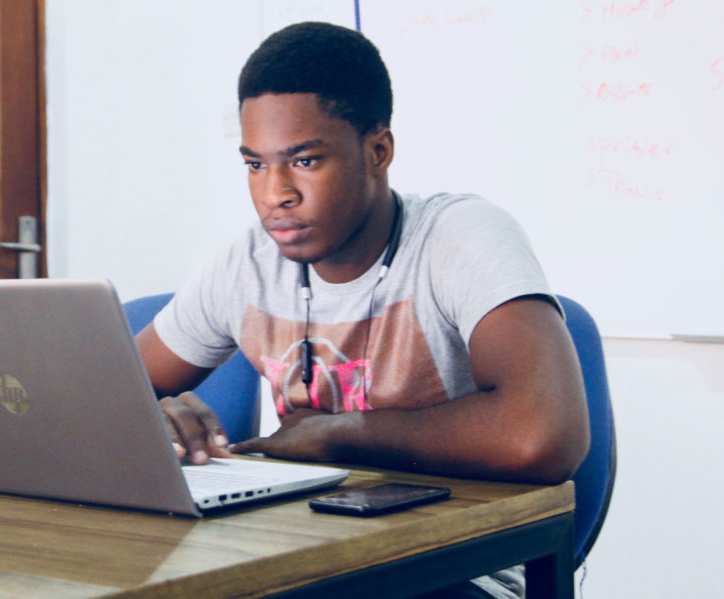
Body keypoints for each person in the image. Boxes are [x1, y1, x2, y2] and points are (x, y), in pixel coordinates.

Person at [136, 21, 589, 598]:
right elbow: (105, 392)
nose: (275, 193)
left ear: (378, 151)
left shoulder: (460, 236)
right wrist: (151, 420)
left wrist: (338, 433)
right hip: (302, 553)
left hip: (457, 564)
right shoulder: (248, 260)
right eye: (255, 165)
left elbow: (542, 436)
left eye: (303, 161)